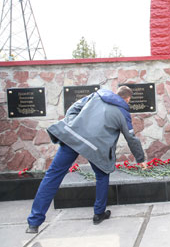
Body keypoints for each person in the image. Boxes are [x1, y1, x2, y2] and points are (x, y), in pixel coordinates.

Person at [26, 86, 146, 233]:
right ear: (127, 98)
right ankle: (99, 213)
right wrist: (140, 159)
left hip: (73, 138)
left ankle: (34, 222)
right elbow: (131, 137)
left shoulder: (96, 95)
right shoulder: (123, 111)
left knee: (52, 175)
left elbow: (73, 108)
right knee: (102, 176)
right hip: (96, 148)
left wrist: (74, 126)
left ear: (117, 93)